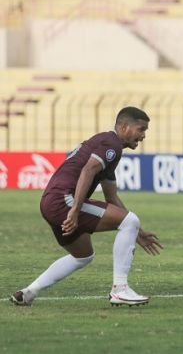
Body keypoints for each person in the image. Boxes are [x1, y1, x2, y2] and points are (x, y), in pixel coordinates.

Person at [10, 106, 162, 307]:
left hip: (50, 201)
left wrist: (137, 232)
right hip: (63, 200)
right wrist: (74, 210)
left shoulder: (105, 145)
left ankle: (29, 292)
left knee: (83, 256)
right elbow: (88, 170)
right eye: (141, 129)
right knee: (129, 220)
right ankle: (120, 289)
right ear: (124, 127)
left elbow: (111, 196)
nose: (143, 136)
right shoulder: (112, 145)